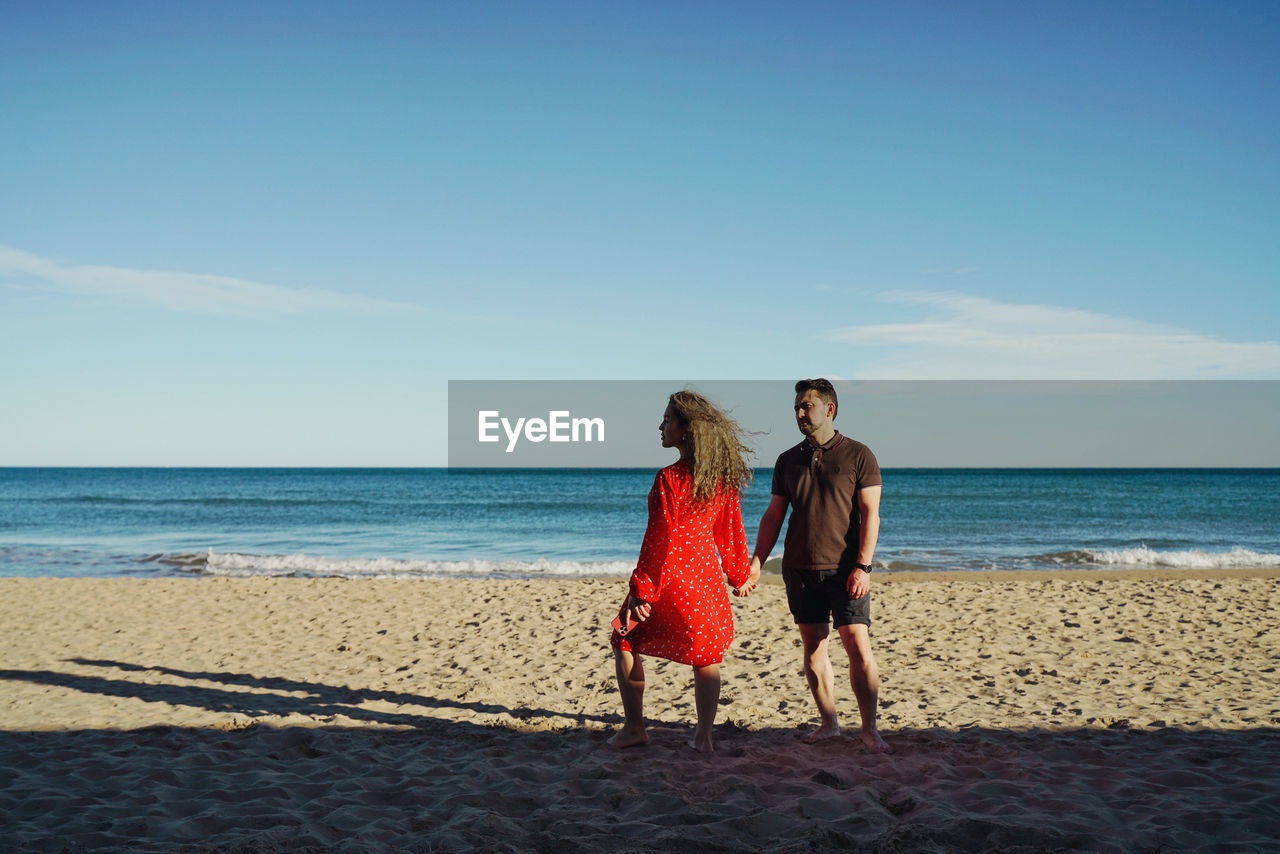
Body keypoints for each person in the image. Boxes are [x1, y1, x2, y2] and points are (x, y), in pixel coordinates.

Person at [609, 390, 758, 753]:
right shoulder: (720, 479)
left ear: (686, 428)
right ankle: (703, 738)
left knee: (623, 638)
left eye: (667, 420)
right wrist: (739, 575)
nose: (660, 426)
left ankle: (634, 727)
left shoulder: (669, 479)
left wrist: (642, 591)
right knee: (705, 657)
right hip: (704, 579)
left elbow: (659, 540)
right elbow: (731, 532)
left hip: (671, 578)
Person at [750, 378, 890, 753]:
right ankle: (829, 723)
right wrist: (756, 562)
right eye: (796, 407)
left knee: (857, 643)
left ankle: (869, 729)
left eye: (806, 406)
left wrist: (864, 566)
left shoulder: (859, 455)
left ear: (829, 409)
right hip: (799, 569)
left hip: (845, 569)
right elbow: (773, 517)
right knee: (814, 646)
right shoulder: (786, 460)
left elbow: (870, 514)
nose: (799, 413)